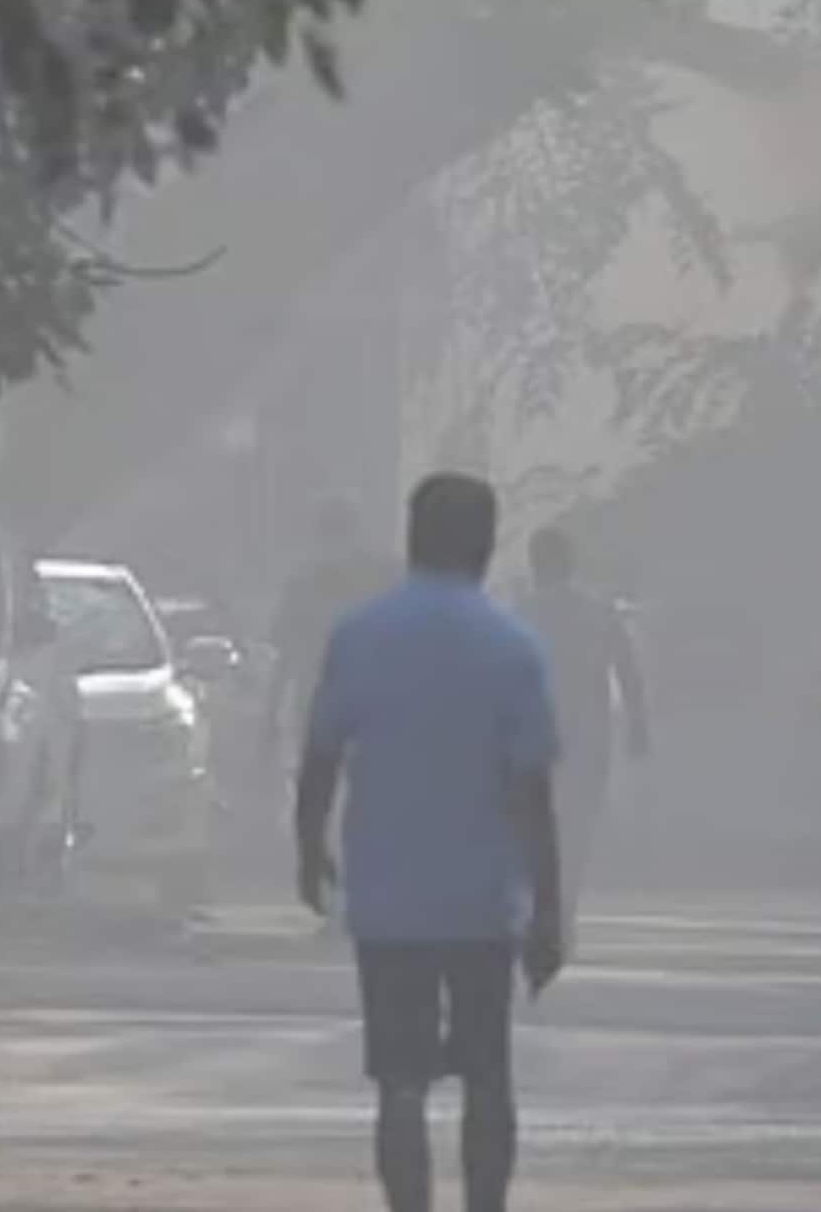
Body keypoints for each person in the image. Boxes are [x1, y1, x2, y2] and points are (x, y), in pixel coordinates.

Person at [295, 474, 565, 1212]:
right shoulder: (513, 647)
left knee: (401, 1082)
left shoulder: (360, 635)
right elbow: (532, 789)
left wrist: (306, 843)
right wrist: (549, 908)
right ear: (486, 543)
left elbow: (320, 754)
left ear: (413, 538)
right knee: (487, 1075)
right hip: (483, 901)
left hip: (388, 899)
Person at [517, 526, 651, 960]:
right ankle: (563, 910)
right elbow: (627, 670)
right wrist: (637, 724)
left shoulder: (521, 613)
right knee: (576, 828)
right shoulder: (598, 612)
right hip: (588, 739)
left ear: (535, 565)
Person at [264, 496, 397, 773]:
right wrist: (271, 713)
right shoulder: (305, 587)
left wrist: (271, 714)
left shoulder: (380, 579)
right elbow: (284, 655)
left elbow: (284, 657)